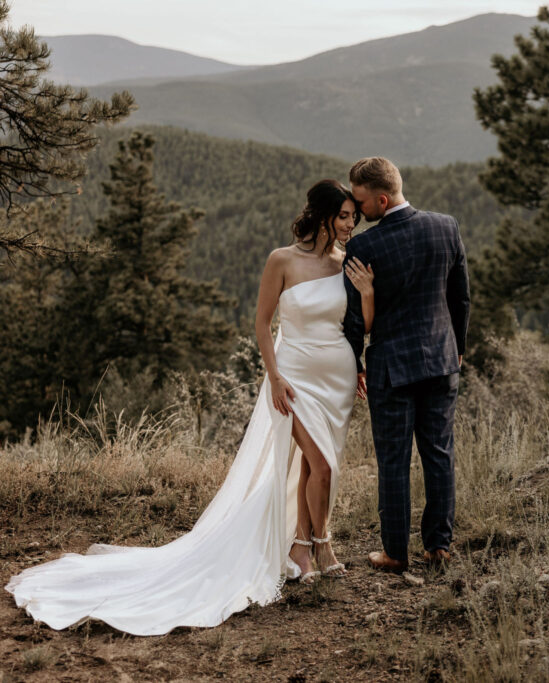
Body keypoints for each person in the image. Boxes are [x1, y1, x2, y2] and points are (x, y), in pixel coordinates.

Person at [5, 179, 374, 636]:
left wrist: (369, 294)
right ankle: (324, 545)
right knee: (322, 466)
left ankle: (300, 547)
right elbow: (262, 324)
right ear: (319, 215)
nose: (349, 224)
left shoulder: (347, 265)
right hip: (294, 377)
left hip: (335, 377)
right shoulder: (282, 260)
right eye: (342, 215)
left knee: (312, 466)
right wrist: (274, 377)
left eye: (352, 217)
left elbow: (359, 324)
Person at [344, 157, 470, 572]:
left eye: (361, 203)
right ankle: (439, 547)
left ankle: (395, 553)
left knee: (394, 460)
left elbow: (354, 322)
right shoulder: (446, 226)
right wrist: (458, 349)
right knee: (439, 454)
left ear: (382, 199)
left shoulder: (364, 247)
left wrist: (355, 363)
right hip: (441, 360)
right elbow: (460, 298)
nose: (358, 212)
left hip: (391, 369)